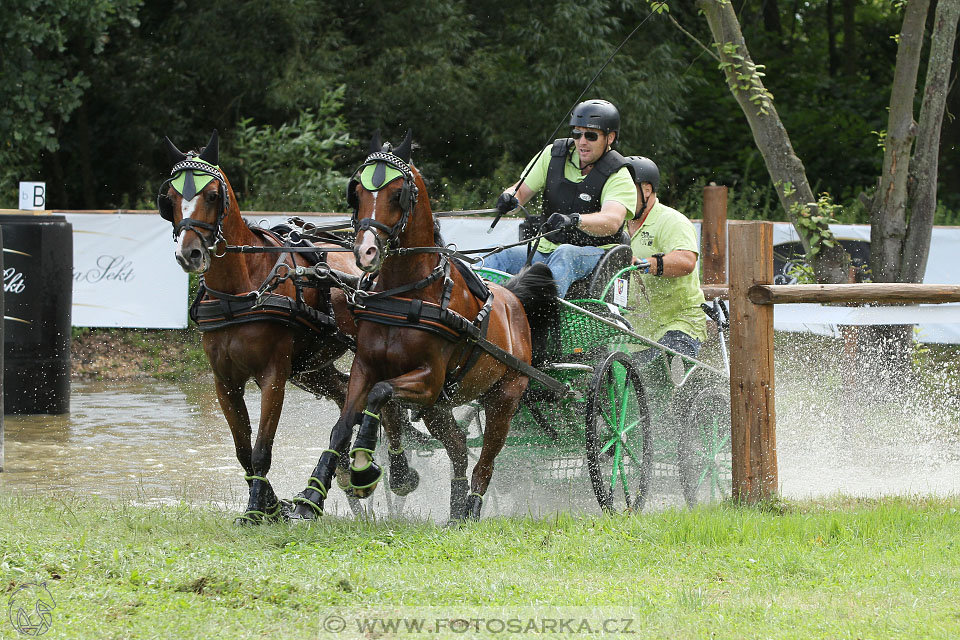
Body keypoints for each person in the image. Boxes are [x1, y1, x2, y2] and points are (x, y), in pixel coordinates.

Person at [482, 100, 637, 298]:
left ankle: (542, 312)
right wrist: (510, 198)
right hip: (545, 250)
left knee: (565, 253)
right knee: (495, 255)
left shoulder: (619, 175)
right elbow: (520, 192)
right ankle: (473, 306)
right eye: (577, 133)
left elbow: (612, 221)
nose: (582, 142)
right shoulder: (552, 155)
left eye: (590, 135)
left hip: (595, 254)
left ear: (610, 137)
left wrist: (575, 220)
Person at [624, 156, 707, 361]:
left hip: (679, 324)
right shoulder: (615, 225)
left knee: (666, 365)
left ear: (646, 190)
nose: (619, 195)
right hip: (634, 334)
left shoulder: (673, 221)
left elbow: (686, 261)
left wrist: (645, 264)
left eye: (625, 188)